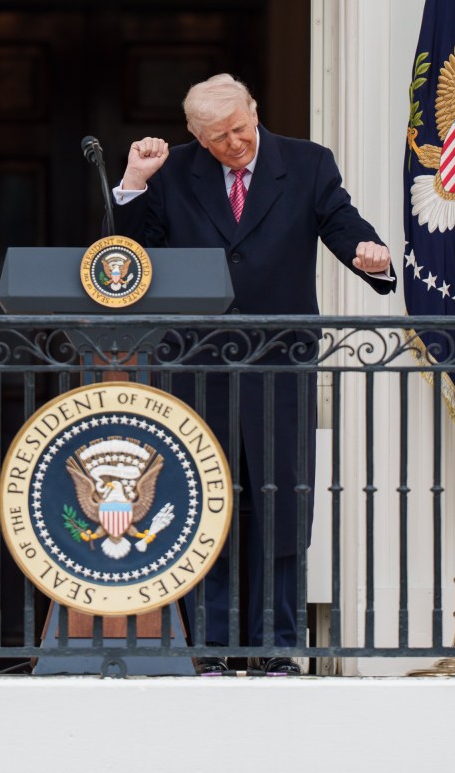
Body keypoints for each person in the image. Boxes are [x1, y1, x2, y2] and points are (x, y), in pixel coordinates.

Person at [111, 73, 395, 675]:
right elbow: (131, 258)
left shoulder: (308, 163)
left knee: (281, 502)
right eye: (217, 138)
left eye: (240, 129)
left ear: (254, 111)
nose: (233, 144)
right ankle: (209, 649)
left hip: (280, 360)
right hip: (195, 363)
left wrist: (369, 253)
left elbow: (341, 222)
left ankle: (276, 646)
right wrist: (134, 183)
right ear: (195, 134)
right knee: (203, 502)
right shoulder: (173, 172)